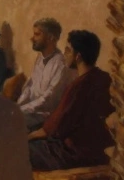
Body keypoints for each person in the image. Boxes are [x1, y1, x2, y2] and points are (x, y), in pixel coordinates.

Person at [28, 30, 115, 171]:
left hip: (75, 154)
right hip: (98, 151)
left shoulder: (79, 86)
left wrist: (27, 137)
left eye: (68, 50)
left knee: (22, 149)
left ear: (78, 56)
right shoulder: (105, 78)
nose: (65, 54)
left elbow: (54, 127)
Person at [16, 18, 70, 130]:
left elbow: (48, 99)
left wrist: (22, 110)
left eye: (37, 34)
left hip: (45, 118)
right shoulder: (40, 58)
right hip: (30, 113)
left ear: (51, 38)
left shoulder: (60, 64)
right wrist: (18, 106)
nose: (32, 38)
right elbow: (29, 87)